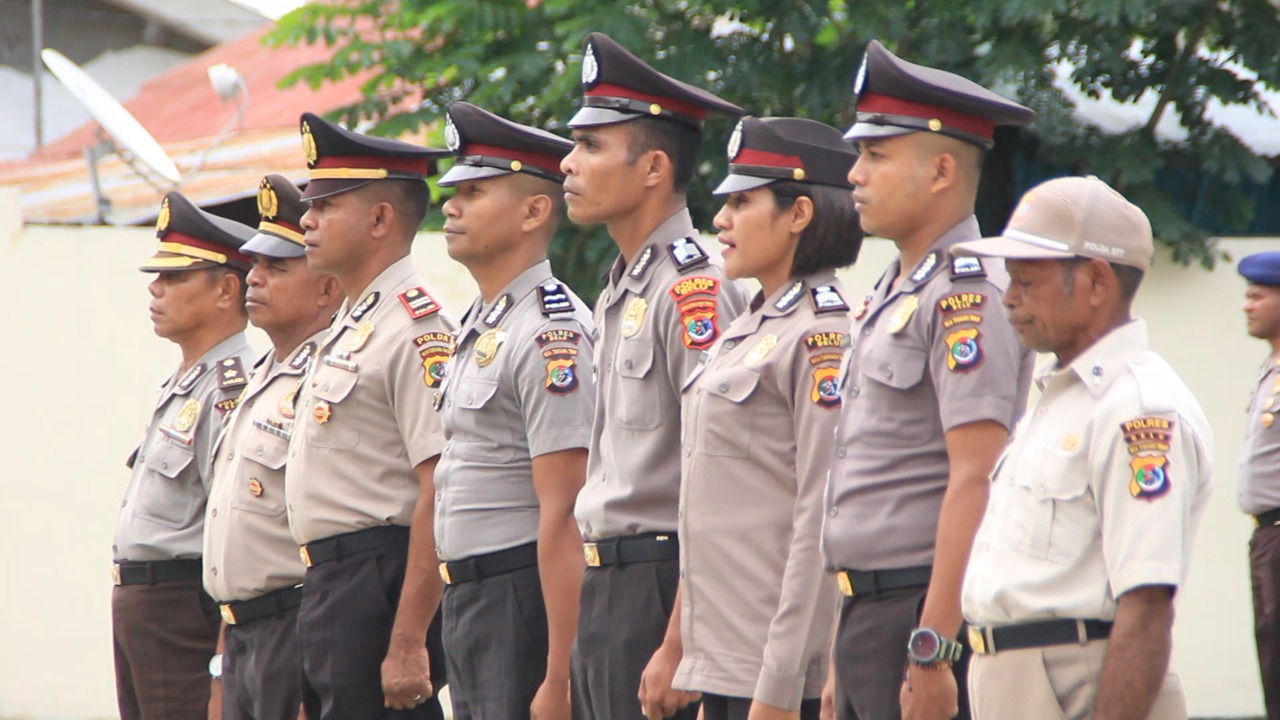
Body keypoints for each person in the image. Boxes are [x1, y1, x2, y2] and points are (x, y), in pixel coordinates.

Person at [821, 40, 1035, 720]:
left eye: (876, 156)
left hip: (918, 612)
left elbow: (973, 475)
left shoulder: (967, 292)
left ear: (942, 170)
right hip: (868, 614)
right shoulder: (893, 288)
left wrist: (936, 648)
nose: (854, 174)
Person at [955, 175, 1213, 719]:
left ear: (1097, 281)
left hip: (1075, 683)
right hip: (1018, 679)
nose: (1009, 297)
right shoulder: (1062, 395)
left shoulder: (1139, 410)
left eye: (1027, 279)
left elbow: (1145, 605)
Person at [559, 31, 750, 720]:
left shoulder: (694, 289)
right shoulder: (624, 287)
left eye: (591, 146)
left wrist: (682, 639)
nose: (568, 163)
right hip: (608, 581)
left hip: (661, 584)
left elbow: (718, 472)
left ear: (652, 169)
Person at [672, 116, 861, 720]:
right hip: (729, 666)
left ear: (799, 214)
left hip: (780, 679)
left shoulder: (820, 335)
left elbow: (818, 517)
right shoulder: (749, 326)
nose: (720, 220)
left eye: (741, 201)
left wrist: (777, 687)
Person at [285, 112, 456, 719]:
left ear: (381, 218)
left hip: (378, 584)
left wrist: (408, 640)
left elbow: (438, 487)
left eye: (326, 206)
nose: (305, 220)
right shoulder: (352, 325)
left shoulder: (414, 325)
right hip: (331, 585)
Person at [431, 101, 595, 720]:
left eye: (474, 192)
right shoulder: (481, 321)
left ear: (534, 210)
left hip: (519, 596)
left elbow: (566, 512)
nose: (450, 206)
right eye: (453, 191)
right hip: (470, 596)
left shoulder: (552, 331)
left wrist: (561, 673)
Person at [203, 174, 343, 720]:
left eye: (276, 269)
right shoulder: (261, 379)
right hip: (243, 635)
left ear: (328, 289)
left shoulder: (331, 376)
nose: (253, 280)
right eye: (254, 266)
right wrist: (220, 663)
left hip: (296, 626)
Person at [112, 191, 256, 720]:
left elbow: (234, 530)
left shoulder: (230, 388)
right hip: (146, 607)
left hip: (182, 607)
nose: (156, 288)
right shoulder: (185, 382)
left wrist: (223, 660)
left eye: (175, 277)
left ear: (225, 290)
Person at [1236, 250, 1280, 720]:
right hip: (1267, 533)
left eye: (1257, 295)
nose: (1247, 305)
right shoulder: (1269, 369)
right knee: (1271, 652)